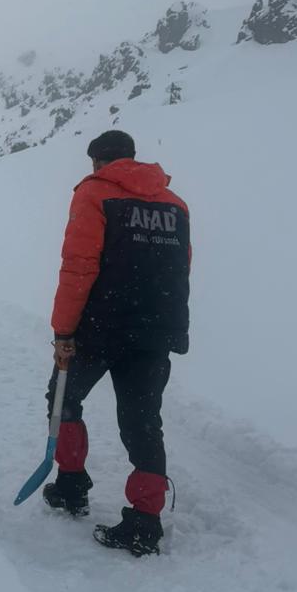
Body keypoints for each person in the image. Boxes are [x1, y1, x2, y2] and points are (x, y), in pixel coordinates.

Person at [44, 128, 190, 556]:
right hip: (154, 330)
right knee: (143, 421)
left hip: (99, 327)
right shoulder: (175, 204)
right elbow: (180, 270)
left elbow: (79, 266)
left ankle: (71, 485)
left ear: (97, 162)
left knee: (63, 398)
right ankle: (145, 521)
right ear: (131, 156)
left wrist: (64, 332)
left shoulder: (94, 194)